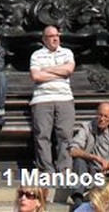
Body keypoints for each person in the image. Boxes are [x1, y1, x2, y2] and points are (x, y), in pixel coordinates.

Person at [29, 25, 75, 174]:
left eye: (57, 35)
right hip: (42, 99)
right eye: (51, 36)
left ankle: (65, 170)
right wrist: (60, 72)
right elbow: (36, 76)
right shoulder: (36, 55)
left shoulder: (67, 52)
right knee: (42, 136)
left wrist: (46, 69)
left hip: (64, 98)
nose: (55, 38)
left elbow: (69, 70)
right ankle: (46, 171)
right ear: (44, 39)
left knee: (66, 136)